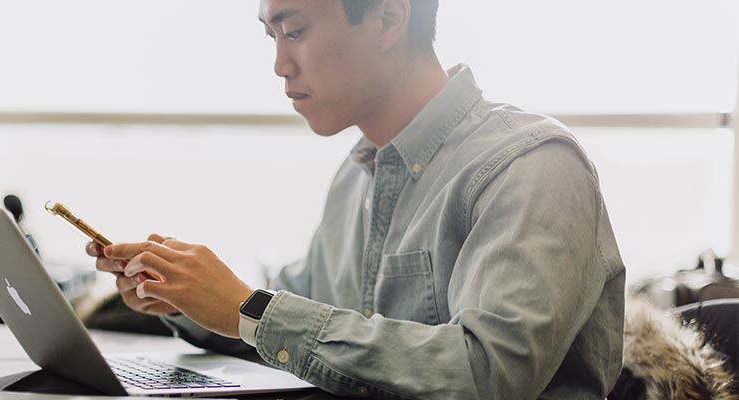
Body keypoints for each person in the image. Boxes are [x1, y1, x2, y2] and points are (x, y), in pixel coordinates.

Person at [86, 0, 626, 398]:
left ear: (389, 19)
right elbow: (297, 324)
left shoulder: (529, 166)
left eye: (294, 31)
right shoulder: (356, 177)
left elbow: (489, 375)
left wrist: (248, 309)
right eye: (270, 37)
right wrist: (192, 301)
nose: (279, 64)